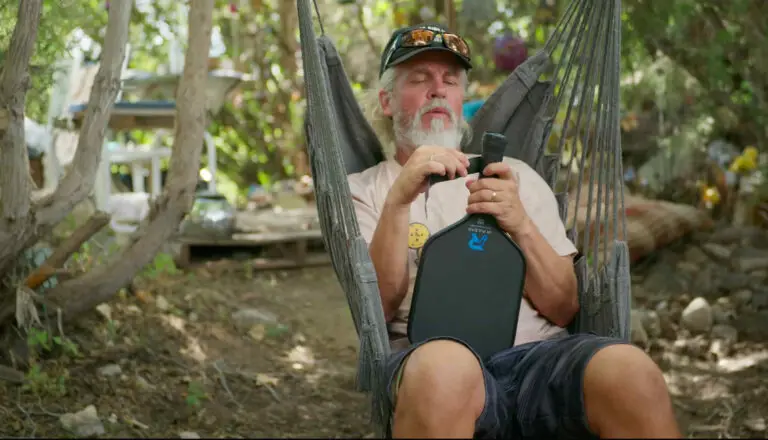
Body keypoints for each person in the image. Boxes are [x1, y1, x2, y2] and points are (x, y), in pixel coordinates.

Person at [348, 24, 682, 439]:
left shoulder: (516, 176)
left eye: (450, 81)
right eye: (419, 79)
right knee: (445, 371)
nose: (438, 89)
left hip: (540, 359)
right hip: (430, 360)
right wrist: (399, 201)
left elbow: (563, 307)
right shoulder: (364, 191)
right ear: (386, 101)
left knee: (632, 372)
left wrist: (520, 223)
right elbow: (373, 311)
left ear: (459, 99)